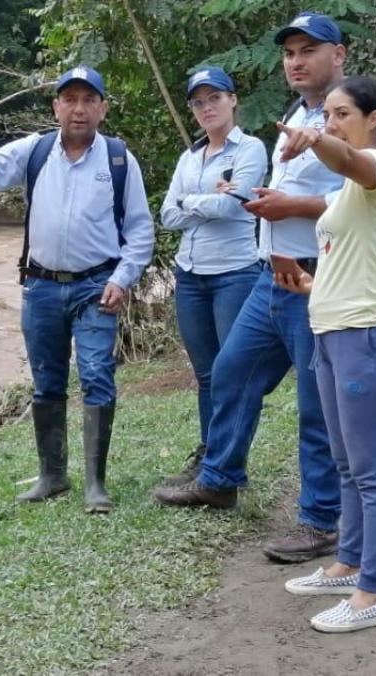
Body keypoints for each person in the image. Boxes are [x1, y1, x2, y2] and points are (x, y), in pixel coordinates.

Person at [155, 11, 345, 565]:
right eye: (290, 52)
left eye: (309, 49)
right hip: (272, 275)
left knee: (316, 402)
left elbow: (370, 193)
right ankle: (219, 478)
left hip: (317, 277)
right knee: (232, 372)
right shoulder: (297, 114)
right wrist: (270, 200)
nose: (296, 61)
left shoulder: (348, 116)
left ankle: (321, 520)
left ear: (340, 55)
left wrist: (292, 205)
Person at [0, 65, 155, 512]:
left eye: (88, 100)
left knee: (98, 375)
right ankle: (53, 475)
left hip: (97, 286)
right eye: (70, 100)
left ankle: (95, 484)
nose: (79, 109)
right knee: (47, 383)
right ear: (56, 107)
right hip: (41, 286)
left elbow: (140, 231)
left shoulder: (119, 159)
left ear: (102, 108)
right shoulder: (35, 151)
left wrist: (123, 279)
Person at [272, 76, 376, 633]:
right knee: (347, 466)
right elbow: (348, 256)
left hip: (369, 338)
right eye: (325, 115)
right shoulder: (346, 195)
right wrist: (308, 285)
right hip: (331, 332)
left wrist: (314, 139)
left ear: (373, 117)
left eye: (341, 113)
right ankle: (346, 564)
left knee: (373, 473)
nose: (330, 123)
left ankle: (371, 594)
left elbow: (348, 160)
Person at [156, 65, 266, 479]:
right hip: (189, 275)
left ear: (233, 99)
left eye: (215, 98)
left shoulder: (250, 149)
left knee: (232, 372)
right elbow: (167, 214)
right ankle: (208, 455)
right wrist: (203, 199)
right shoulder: (189, 157)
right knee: (205, 373)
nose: (207, 108)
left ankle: (228, 463)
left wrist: (192, 201)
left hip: (235, 273)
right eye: (198, 102)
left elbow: (232, 205)